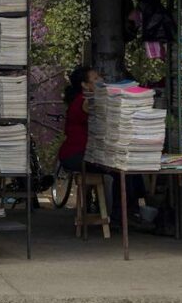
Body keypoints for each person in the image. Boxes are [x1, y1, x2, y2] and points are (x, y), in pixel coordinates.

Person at [57, 65, 142, 222]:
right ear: (85, 84)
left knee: (126, 167)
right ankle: (121, 216)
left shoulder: (87, 99)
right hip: (77, 154)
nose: (101, 80)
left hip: (85, 153)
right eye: (96, 78)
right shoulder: (85, 101)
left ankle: (128, 212)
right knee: (118, 169)